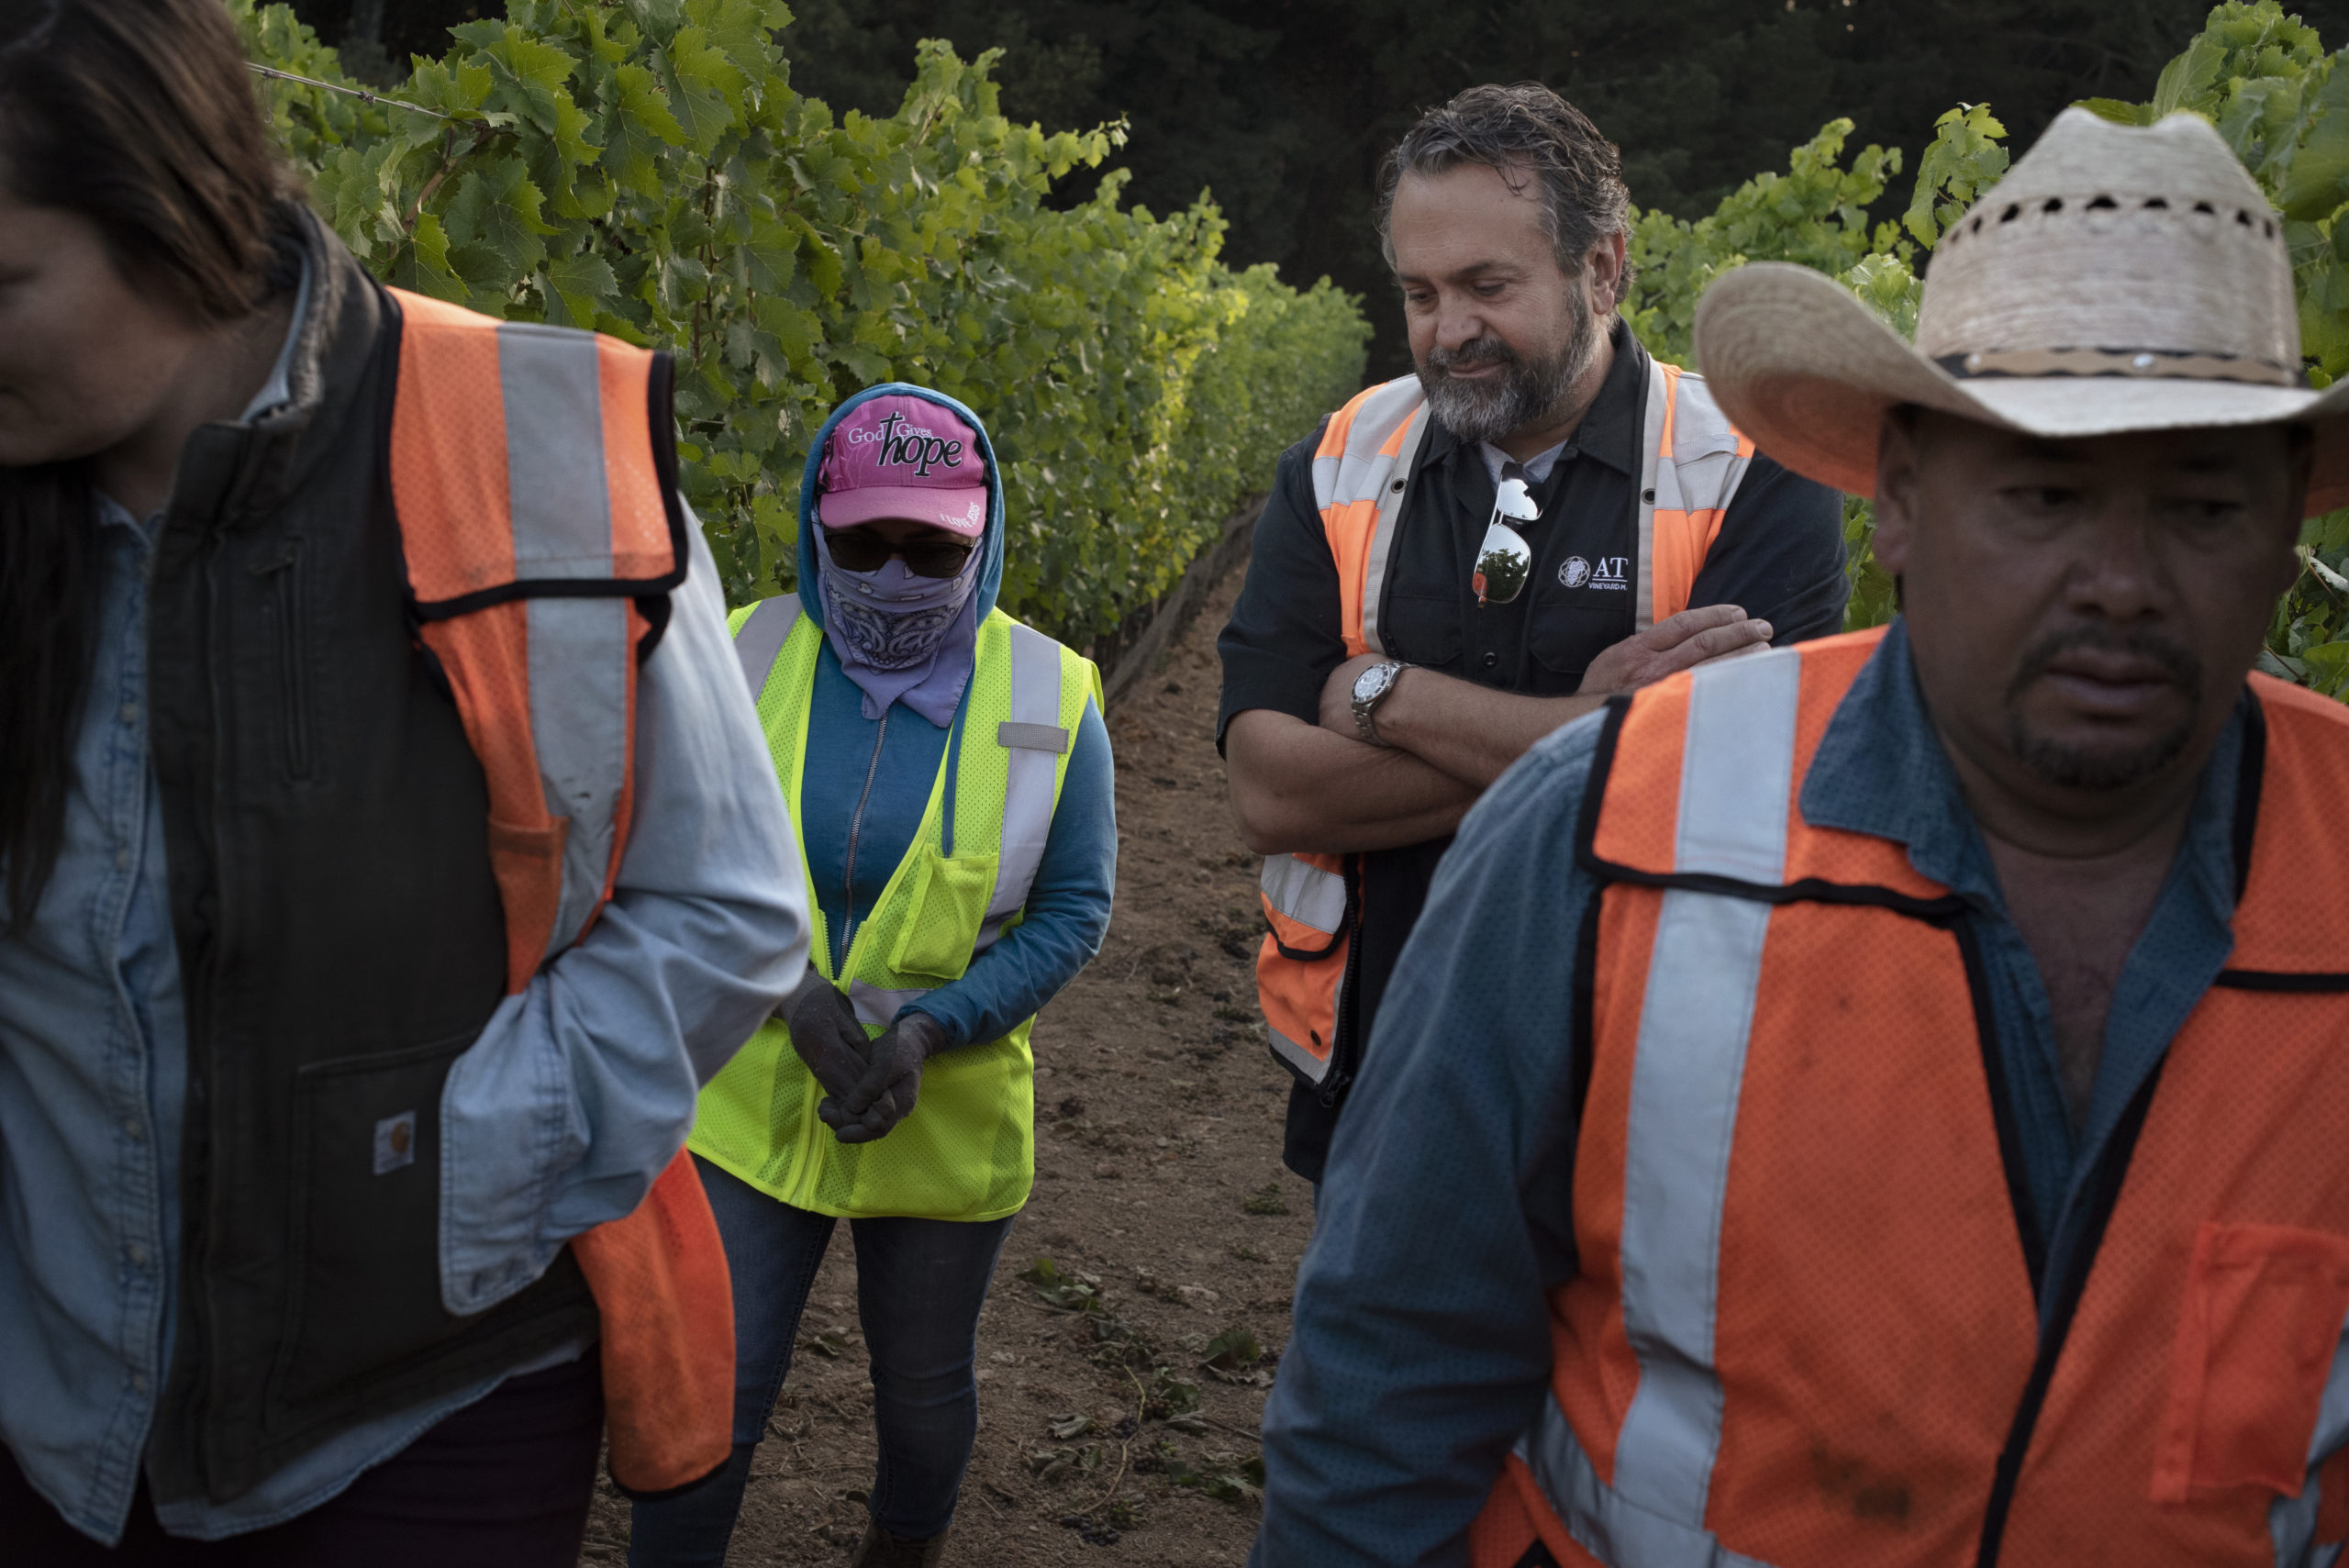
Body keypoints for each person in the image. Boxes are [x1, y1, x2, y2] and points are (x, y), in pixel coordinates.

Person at [1254, 106, 2349, 1567]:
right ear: (1898, 502)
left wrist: (1378, 693)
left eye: (2203, 508)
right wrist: (1566, 729)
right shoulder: (1592, 830)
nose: (2119, 583)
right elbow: (1387, 1392)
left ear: (2289, 536)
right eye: (2041, 497)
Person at [0, 1, 810, 1560]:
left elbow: (723, 908)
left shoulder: (532, 441)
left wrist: (454, 1174)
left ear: (165, 212)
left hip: (421, 1410)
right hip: (45, 1403)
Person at [1217, 83, 1849, 1190]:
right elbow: (1270, 790)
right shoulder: (1337, 462)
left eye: (1485, 286)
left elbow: (1734, 789)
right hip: (1381, 1083)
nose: (1447, 329)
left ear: (1602, 267)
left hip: (1643, 1106)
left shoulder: (1750, 473)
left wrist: (1378, 693)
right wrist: (1591, 738)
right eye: (1419, 292)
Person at [627, 385, 1117, 1568]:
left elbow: (1072, 907)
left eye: (931, 547)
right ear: (816, 524)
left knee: (920, 1389)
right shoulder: (741, 652)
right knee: (715, 1389)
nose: (895, 575)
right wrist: (783, 992)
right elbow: (667, 849)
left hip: (942, 1109)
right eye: (863, 543)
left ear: (981, 536)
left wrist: (934, 1028)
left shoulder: (1054, 695)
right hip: (745, 1098)